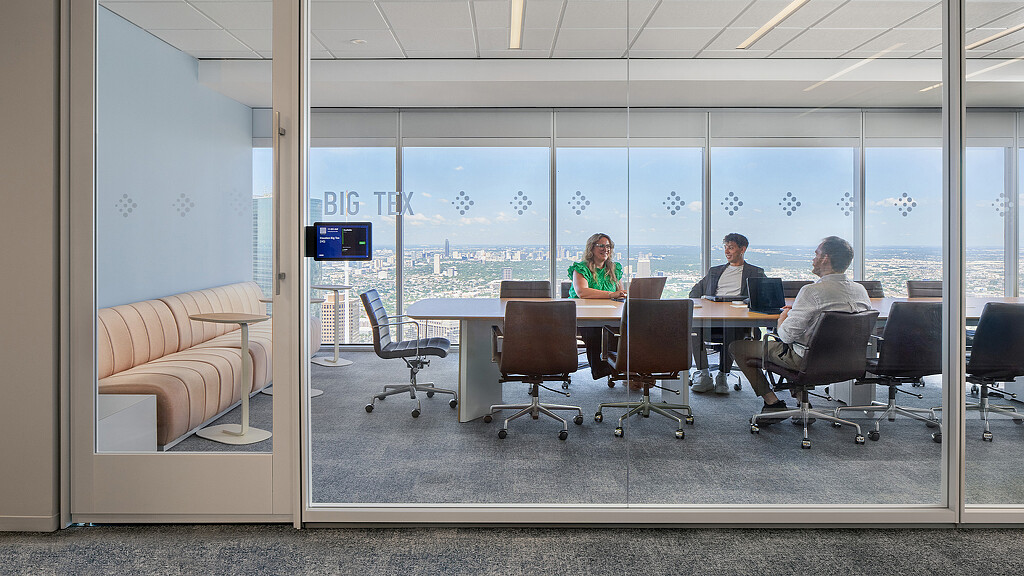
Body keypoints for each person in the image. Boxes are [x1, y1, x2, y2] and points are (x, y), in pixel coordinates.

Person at [729, 236, 872, 424]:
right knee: (799, 343)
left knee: (738, 347)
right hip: (848, 361)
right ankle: (801, 401)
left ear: (825, 258)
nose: (813, 259)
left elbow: (786, 336)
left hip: (808, 360)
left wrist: (783, 318)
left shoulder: (812, 291)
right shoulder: (860, 290)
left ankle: (772, 403)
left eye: (816, 254)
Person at [688, 233, 766, 395]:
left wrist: (745, 302)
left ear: (742, 249)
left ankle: (723, 375)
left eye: (731, 247)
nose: (727, 251)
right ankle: (703, 374)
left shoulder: (755, 272)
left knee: (730, 326)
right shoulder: (715, 271)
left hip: (737, 319)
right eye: (725, 248)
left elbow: (763, 296)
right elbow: (695, 291)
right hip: (712, 317)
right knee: (694, 327)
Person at [568, 233, 625, 381]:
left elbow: (620, 292)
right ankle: (604, 370)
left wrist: (620, 294)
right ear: (591, 248)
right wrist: (611, 294)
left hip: (609, 313)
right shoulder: (581, 268)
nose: (605, 249)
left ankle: (625, 369)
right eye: (601, 245)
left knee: (625, 329)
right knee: (595, 330)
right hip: (584, 315)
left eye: (608, 246)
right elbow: (582, 292)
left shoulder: (614, 268)